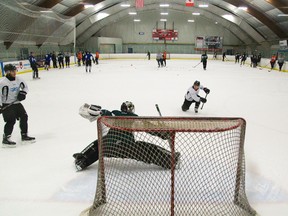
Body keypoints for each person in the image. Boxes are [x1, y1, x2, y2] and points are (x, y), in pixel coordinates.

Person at [73, 101, 181, 171]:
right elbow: (148, 127)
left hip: (108, 146)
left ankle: (82, 160)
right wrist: (163, 133)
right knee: (147, 148)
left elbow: (100, 112)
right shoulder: (134, 117)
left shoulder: (114, 113)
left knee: (97, 144)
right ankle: (171, 160)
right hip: (125, 147)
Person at [0, 64, 35, 147]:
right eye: (12, 71)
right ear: (8, 72)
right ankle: (6, 138)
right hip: (7, 104)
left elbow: (25, 87)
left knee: (24, 116)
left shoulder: (19, 79)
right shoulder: (3, 83)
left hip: (16, 103)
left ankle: (24, 135)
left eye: (15, 70)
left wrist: (23, 93)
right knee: (11, 120)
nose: (14, 72)